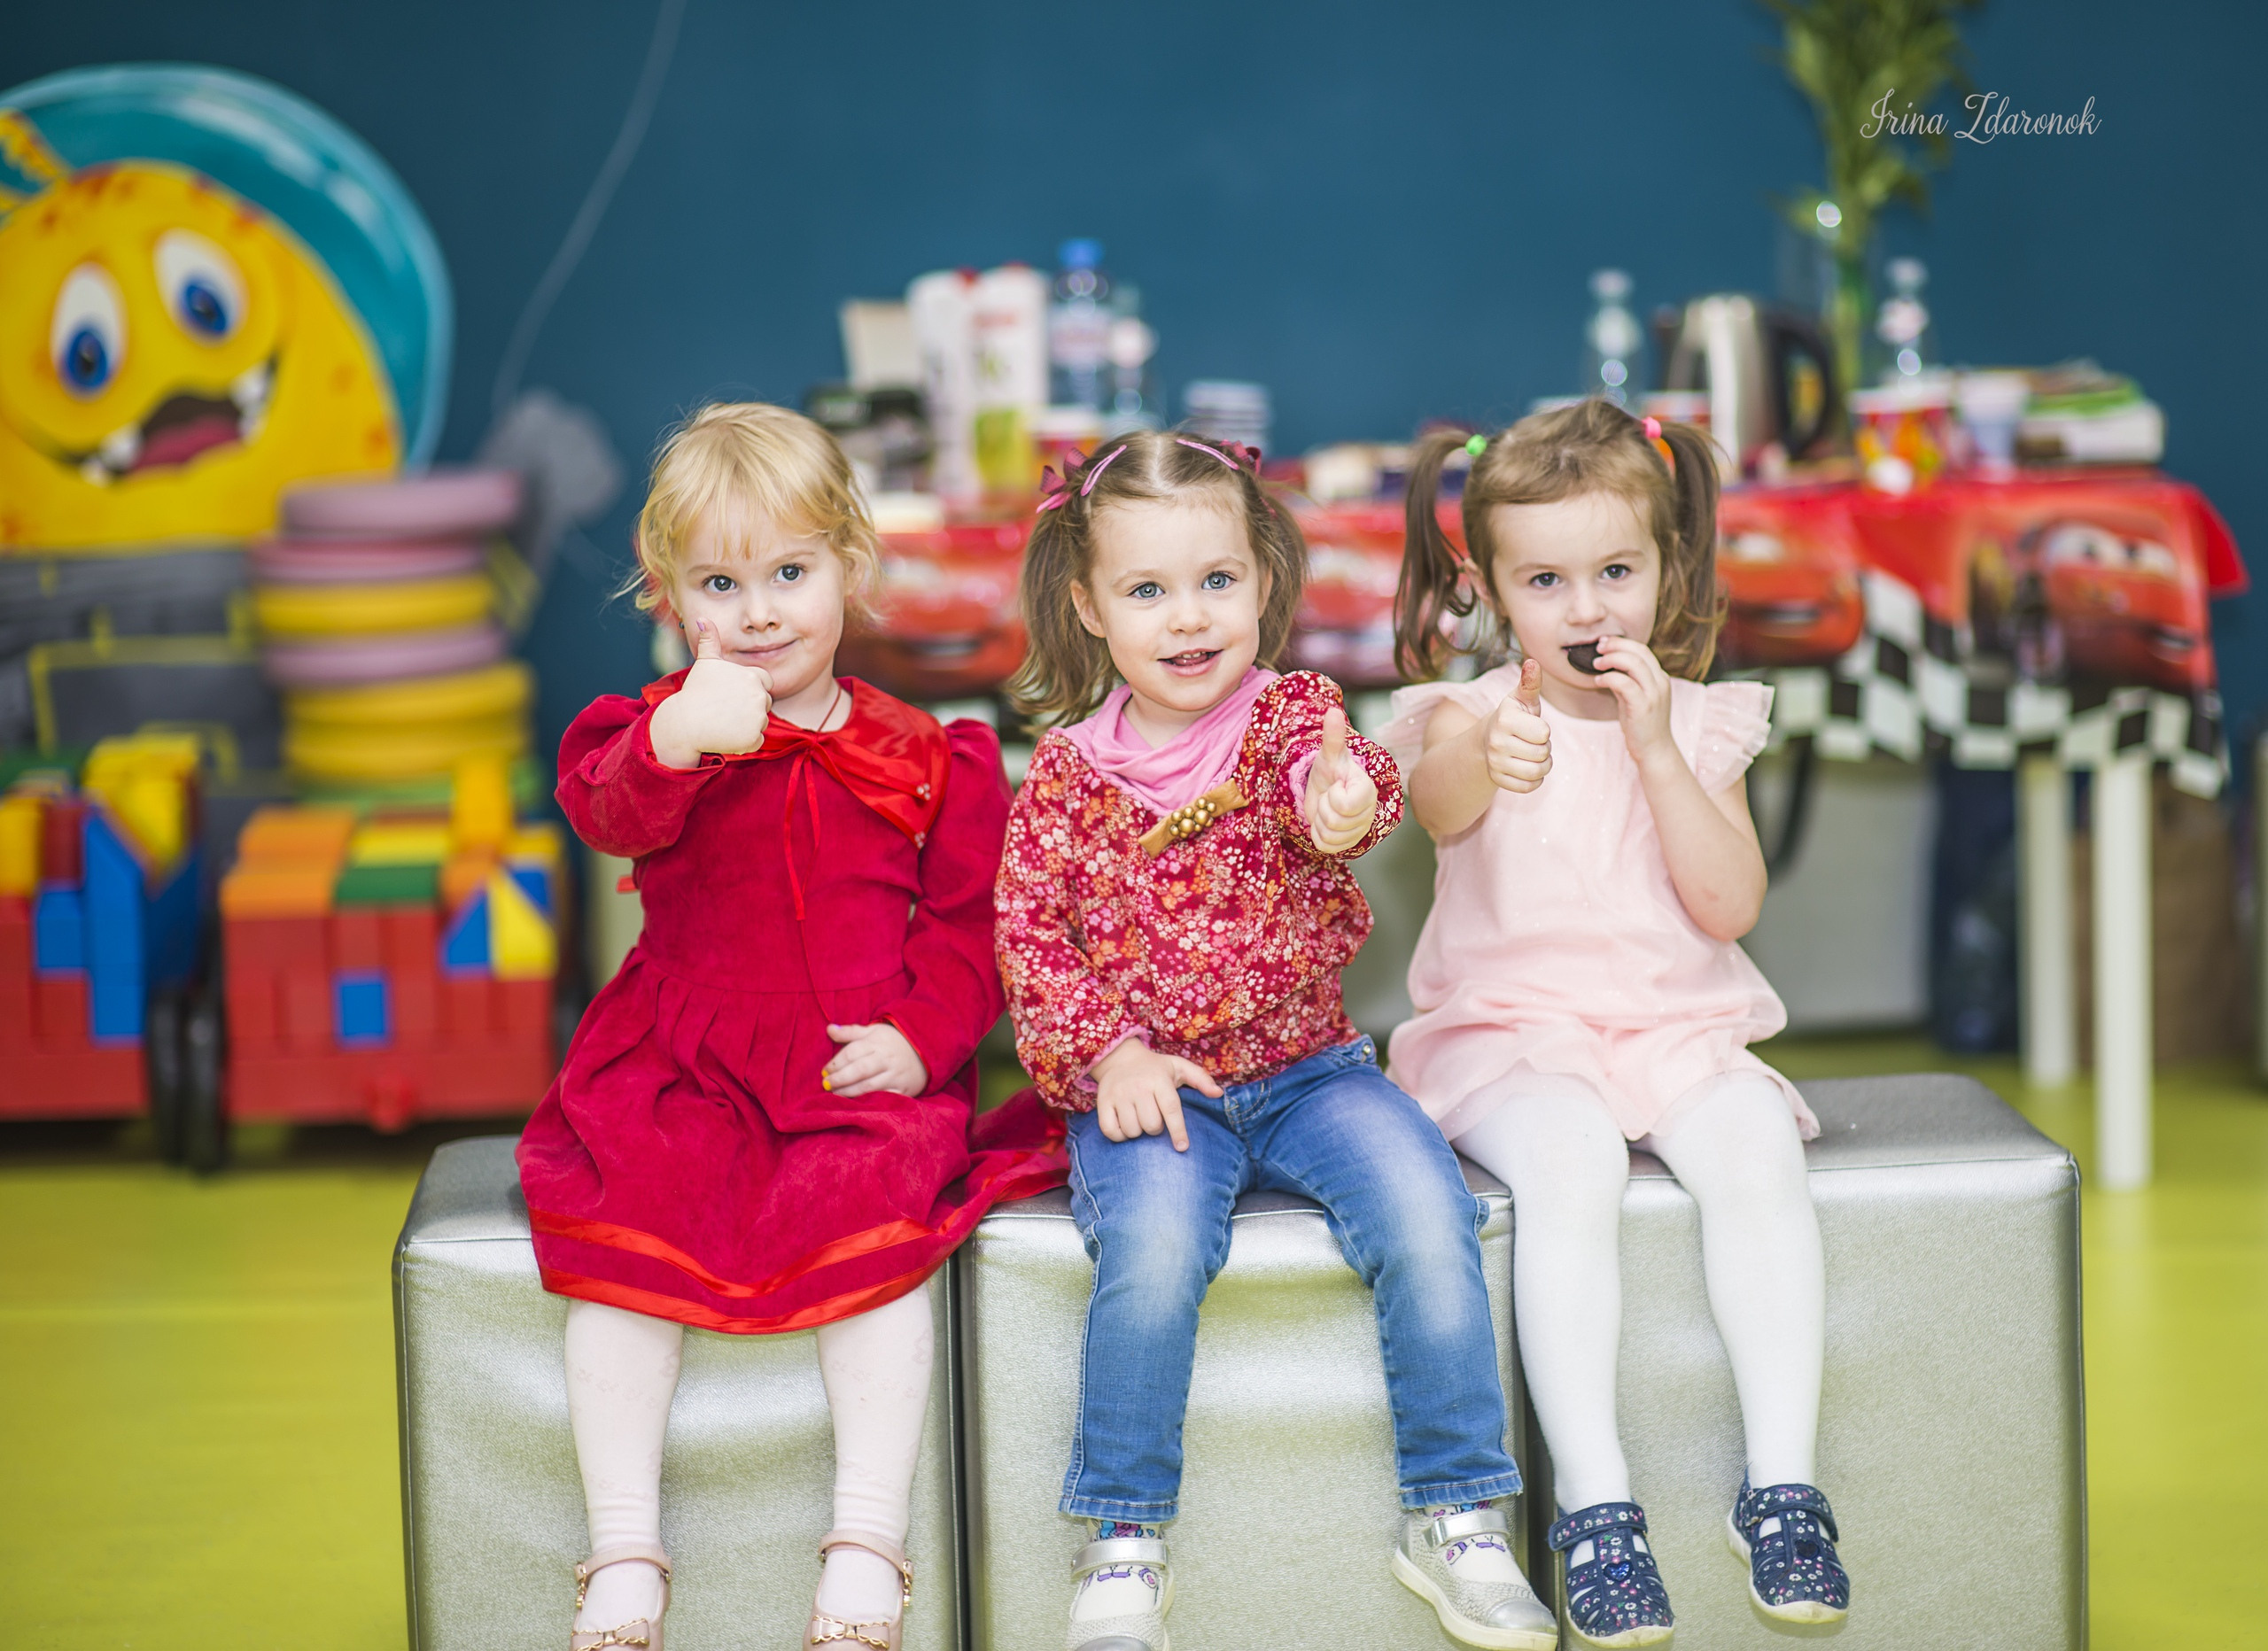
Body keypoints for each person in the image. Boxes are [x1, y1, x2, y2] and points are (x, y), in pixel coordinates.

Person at [994, 429, 1557, 1651]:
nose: (1188, 619)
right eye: (1147, 591)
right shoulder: (1068, 777)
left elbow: (1338, 784)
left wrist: (1345, 794)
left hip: (1313, 1074)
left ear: (1261, 579)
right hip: (1153, 1091)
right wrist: (1111, 1059)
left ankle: (1457, 1512)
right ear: (1090, 607)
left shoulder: (1288, 714)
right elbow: (1031, 942)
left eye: (1215, 582)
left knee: (1427, 1211)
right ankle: (1126, 1536)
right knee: (1149, 1250)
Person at [517, 403, 1063, 1651]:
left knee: (879, 1254)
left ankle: (868, 1537)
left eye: (790, 573)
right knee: (616, 1265)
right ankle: (621, 1547)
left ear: (851, 569)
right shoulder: (648, 734)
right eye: (720, 582)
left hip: (850, 1063)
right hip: (680, 1063)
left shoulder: (928, 755)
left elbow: (966, 928)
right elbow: (608, 815)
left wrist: (923, 1041)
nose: (758, 612)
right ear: (668, 596)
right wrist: (670, 739)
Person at [1383, 399, 1851, 1647]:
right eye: (1547, 580)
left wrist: (1655, 750)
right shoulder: (1466, 712)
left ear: (1667, 572)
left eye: (1615, 573)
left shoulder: (1700, 721)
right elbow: (1434, 809)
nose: (1586, 610)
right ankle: (1597, 1506)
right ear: (1489, 591)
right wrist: (1492, 750)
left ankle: (1785, 1487)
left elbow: (1728, 900)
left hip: (1674, 1030)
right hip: (1514, 1037)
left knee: (1757, 1155)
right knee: (1575, 1165)